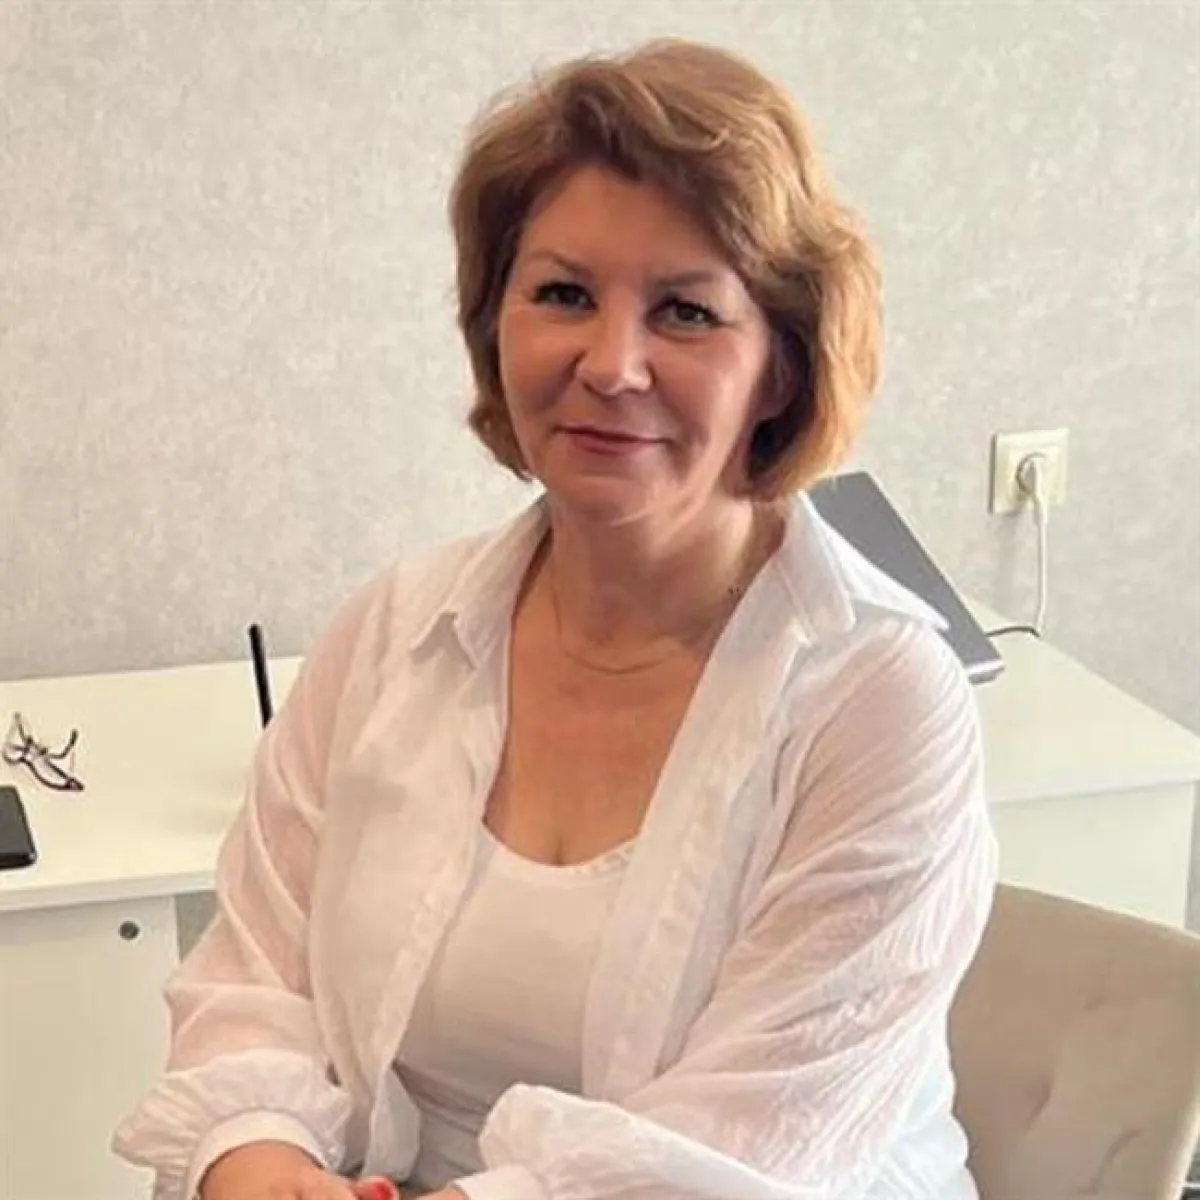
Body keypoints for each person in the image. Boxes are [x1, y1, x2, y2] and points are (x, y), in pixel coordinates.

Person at [114, 37, 997, 1200]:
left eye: (685, 312)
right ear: (498, 324)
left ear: (779, 371)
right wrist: (258, 1158)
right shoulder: (394, 628)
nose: (611, 364)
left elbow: (735, 1154)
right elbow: (254, 975)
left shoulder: (878, 698)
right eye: (564, 294)